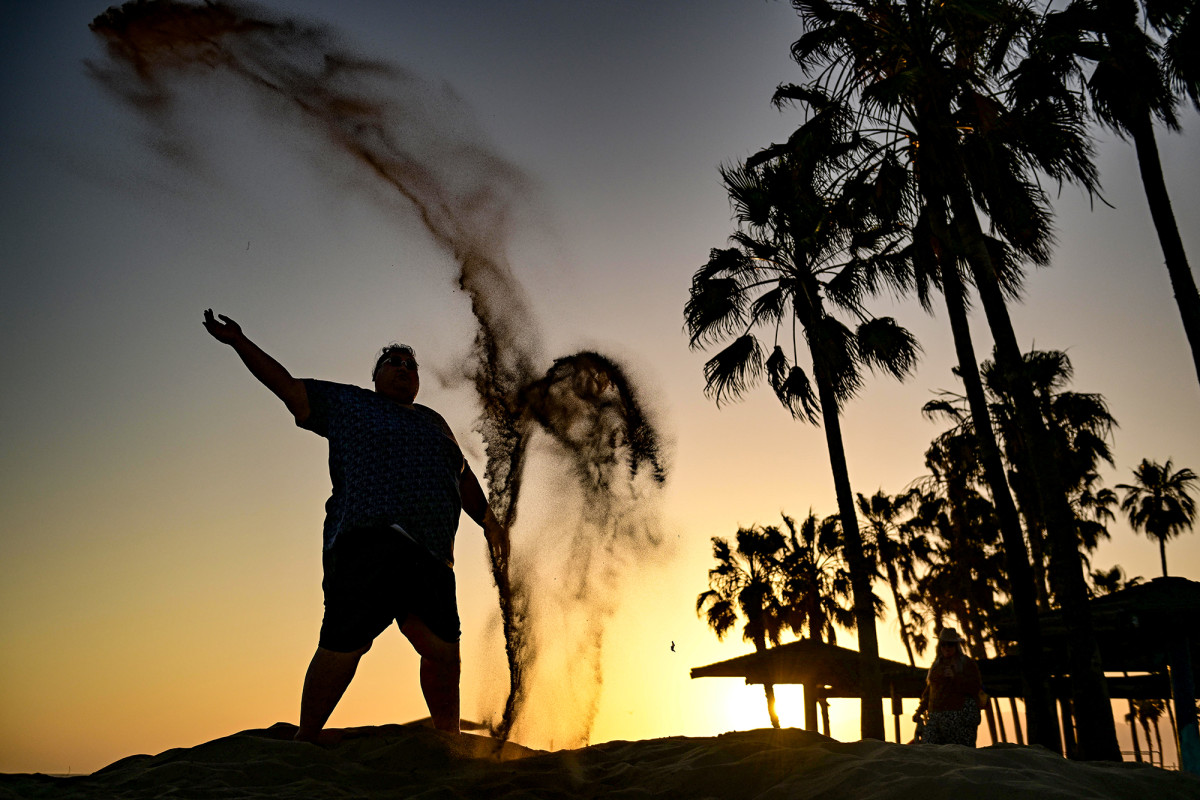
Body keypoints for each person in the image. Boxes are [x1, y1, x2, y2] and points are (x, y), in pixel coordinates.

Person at [202, 309, 508, 742]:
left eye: (410, 365)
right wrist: (239, 341)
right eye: (393, 363)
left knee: (443, 652)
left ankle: (447, 739)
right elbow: (289, 388)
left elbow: (462, 478)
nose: (403, 369)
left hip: (433, 556)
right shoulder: (351, 403)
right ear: (377, 378)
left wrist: (490, 524)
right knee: (345, 641)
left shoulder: (435, 423)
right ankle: (306, 737)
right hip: (369, 540)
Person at [913, 627, 982, 746]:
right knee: (929, 748)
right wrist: (920, 710)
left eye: (950, 645)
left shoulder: (967, 664)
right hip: (935, 716)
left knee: (957, 750)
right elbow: (930, 691)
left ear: (956, 646)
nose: (946, 648)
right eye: (943, 645)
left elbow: (975, 687)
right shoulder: (936, 665)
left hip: (958, 716)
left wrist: (955, 677)